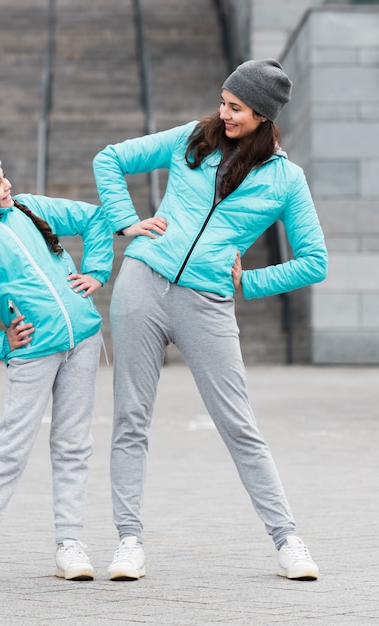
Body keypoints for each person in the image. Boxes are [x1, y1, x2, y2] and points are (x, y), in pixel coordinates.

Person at [93, 58, 327, 582]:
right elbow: (110, 159)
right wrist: (126, 222)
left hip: (208, 303)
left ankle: (288, 540)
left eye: (236, 108)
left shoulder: (285, 179)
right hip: (143, 284)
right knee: (130, 419)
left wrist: (251, 280)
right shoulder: (192, 139)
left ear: (264, 116)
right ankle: (128, 542)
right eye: (223, 101)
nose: (223, 113)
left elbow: (315, 259)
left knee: (239, 425)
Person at [0, 149, 113, 583]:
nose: (7, 184)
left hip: (83, 341)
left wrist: (97, 272)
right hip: (32, 353)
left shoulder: (30, 208)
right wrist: (3, 345)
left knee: (73, 445)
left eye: (3, 175)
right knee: (11, 448)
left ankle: (70, 544)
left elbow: (96, 219)